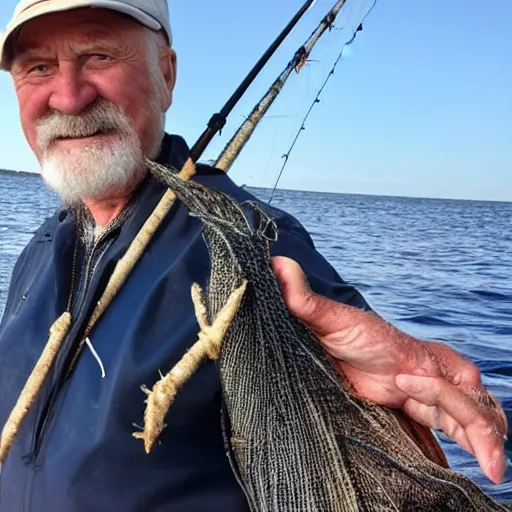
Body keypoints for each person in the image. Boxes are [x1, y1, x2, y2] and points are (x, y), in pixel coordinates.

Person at [0, 0, 507, 510]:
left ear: (166, 74)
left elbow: (358, 372)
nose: (67, 96)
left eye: (99, 56)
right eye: (38, 67)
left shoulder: (250, 240)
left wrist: (386, 384)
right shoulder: (41, 248)